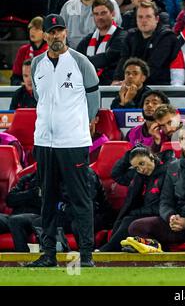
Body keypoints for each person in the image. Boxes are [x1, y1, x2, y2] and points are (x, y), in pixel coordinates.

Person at [26, 14, 100, 268]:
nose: (56, 35)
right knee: (47, 198)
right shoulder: (37, 64)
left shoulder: (81, 63)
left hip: (73, 141)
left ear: (66, 32)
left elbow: (94, 98)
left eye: (60, 31)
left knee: (80, 198)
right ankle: (48, 254)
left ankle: (87, 255)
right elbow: (40, 98)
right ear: (44, 35)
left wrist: (81, 124)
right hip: (44, 141)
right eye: (51, 31)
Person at [99, 146, 165, 251]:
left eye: (142, 163)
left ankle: (108, 249)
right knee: (122, 220)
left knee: (128, 219)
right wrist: (132, 153)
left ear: (151, 157)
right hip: (142, 213)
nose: (141, 169)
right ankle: (112, 248)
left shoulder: (165, 174)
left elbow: (163, 204)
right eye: (137, 167)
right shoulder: (138, 175)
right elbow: (116, 174)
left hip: (160, 214)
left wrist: (136, 212)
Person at [113, 1, 178, 85]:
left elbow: (154, 67)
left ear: (157, 19)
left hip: (158, 86)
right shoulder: (130, 36)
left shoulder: (167, 37)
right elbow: (123, 60)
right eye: (140, 17)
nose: (144, 20)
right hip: (134, 83)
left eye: (148, 17)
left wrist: (129, 81)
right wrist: (117, 79)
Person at [76, 0, 127, 85]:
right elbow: (76, 61)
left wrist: (84, 62)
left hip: (111, 85)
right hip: (89, 85)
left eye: (103, 13)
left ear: (113, 14)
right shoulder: (87, 40)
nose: (100, 17)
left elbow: (108, 58)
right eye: (96, 14)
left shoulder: (122, 36)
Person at [10, 17, 48, 86]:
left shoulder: (51, 52)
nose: (32, 31)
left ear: (45, 33)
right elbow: (14, 78)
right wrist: (25, 85)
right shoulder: (23, 50)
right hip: (26, 92)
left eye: (36, 29)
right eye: (31, 28)